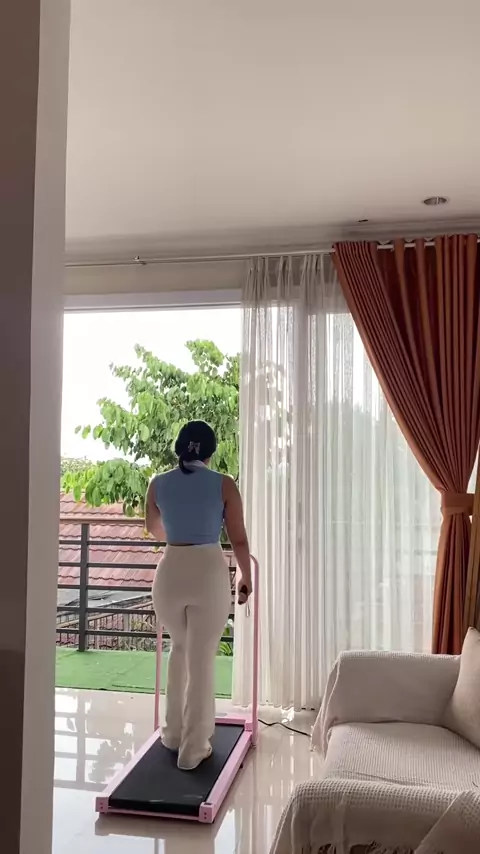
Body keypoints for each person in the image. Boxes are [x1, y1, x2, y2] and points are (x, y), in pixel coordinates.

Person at [145, 420, 252, 771]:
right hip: (207, 571)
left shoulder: (157, 483)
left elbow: (155, 530)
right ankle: (193, 748)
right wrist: (246, 577)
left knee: (179, 648)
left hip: (170, 572)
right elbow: (238, 538)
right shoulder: (224, 484)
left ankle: (172, 734)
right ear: (211, 451)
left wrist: (182, 529)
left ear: (179, 448)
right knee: (201, 658)